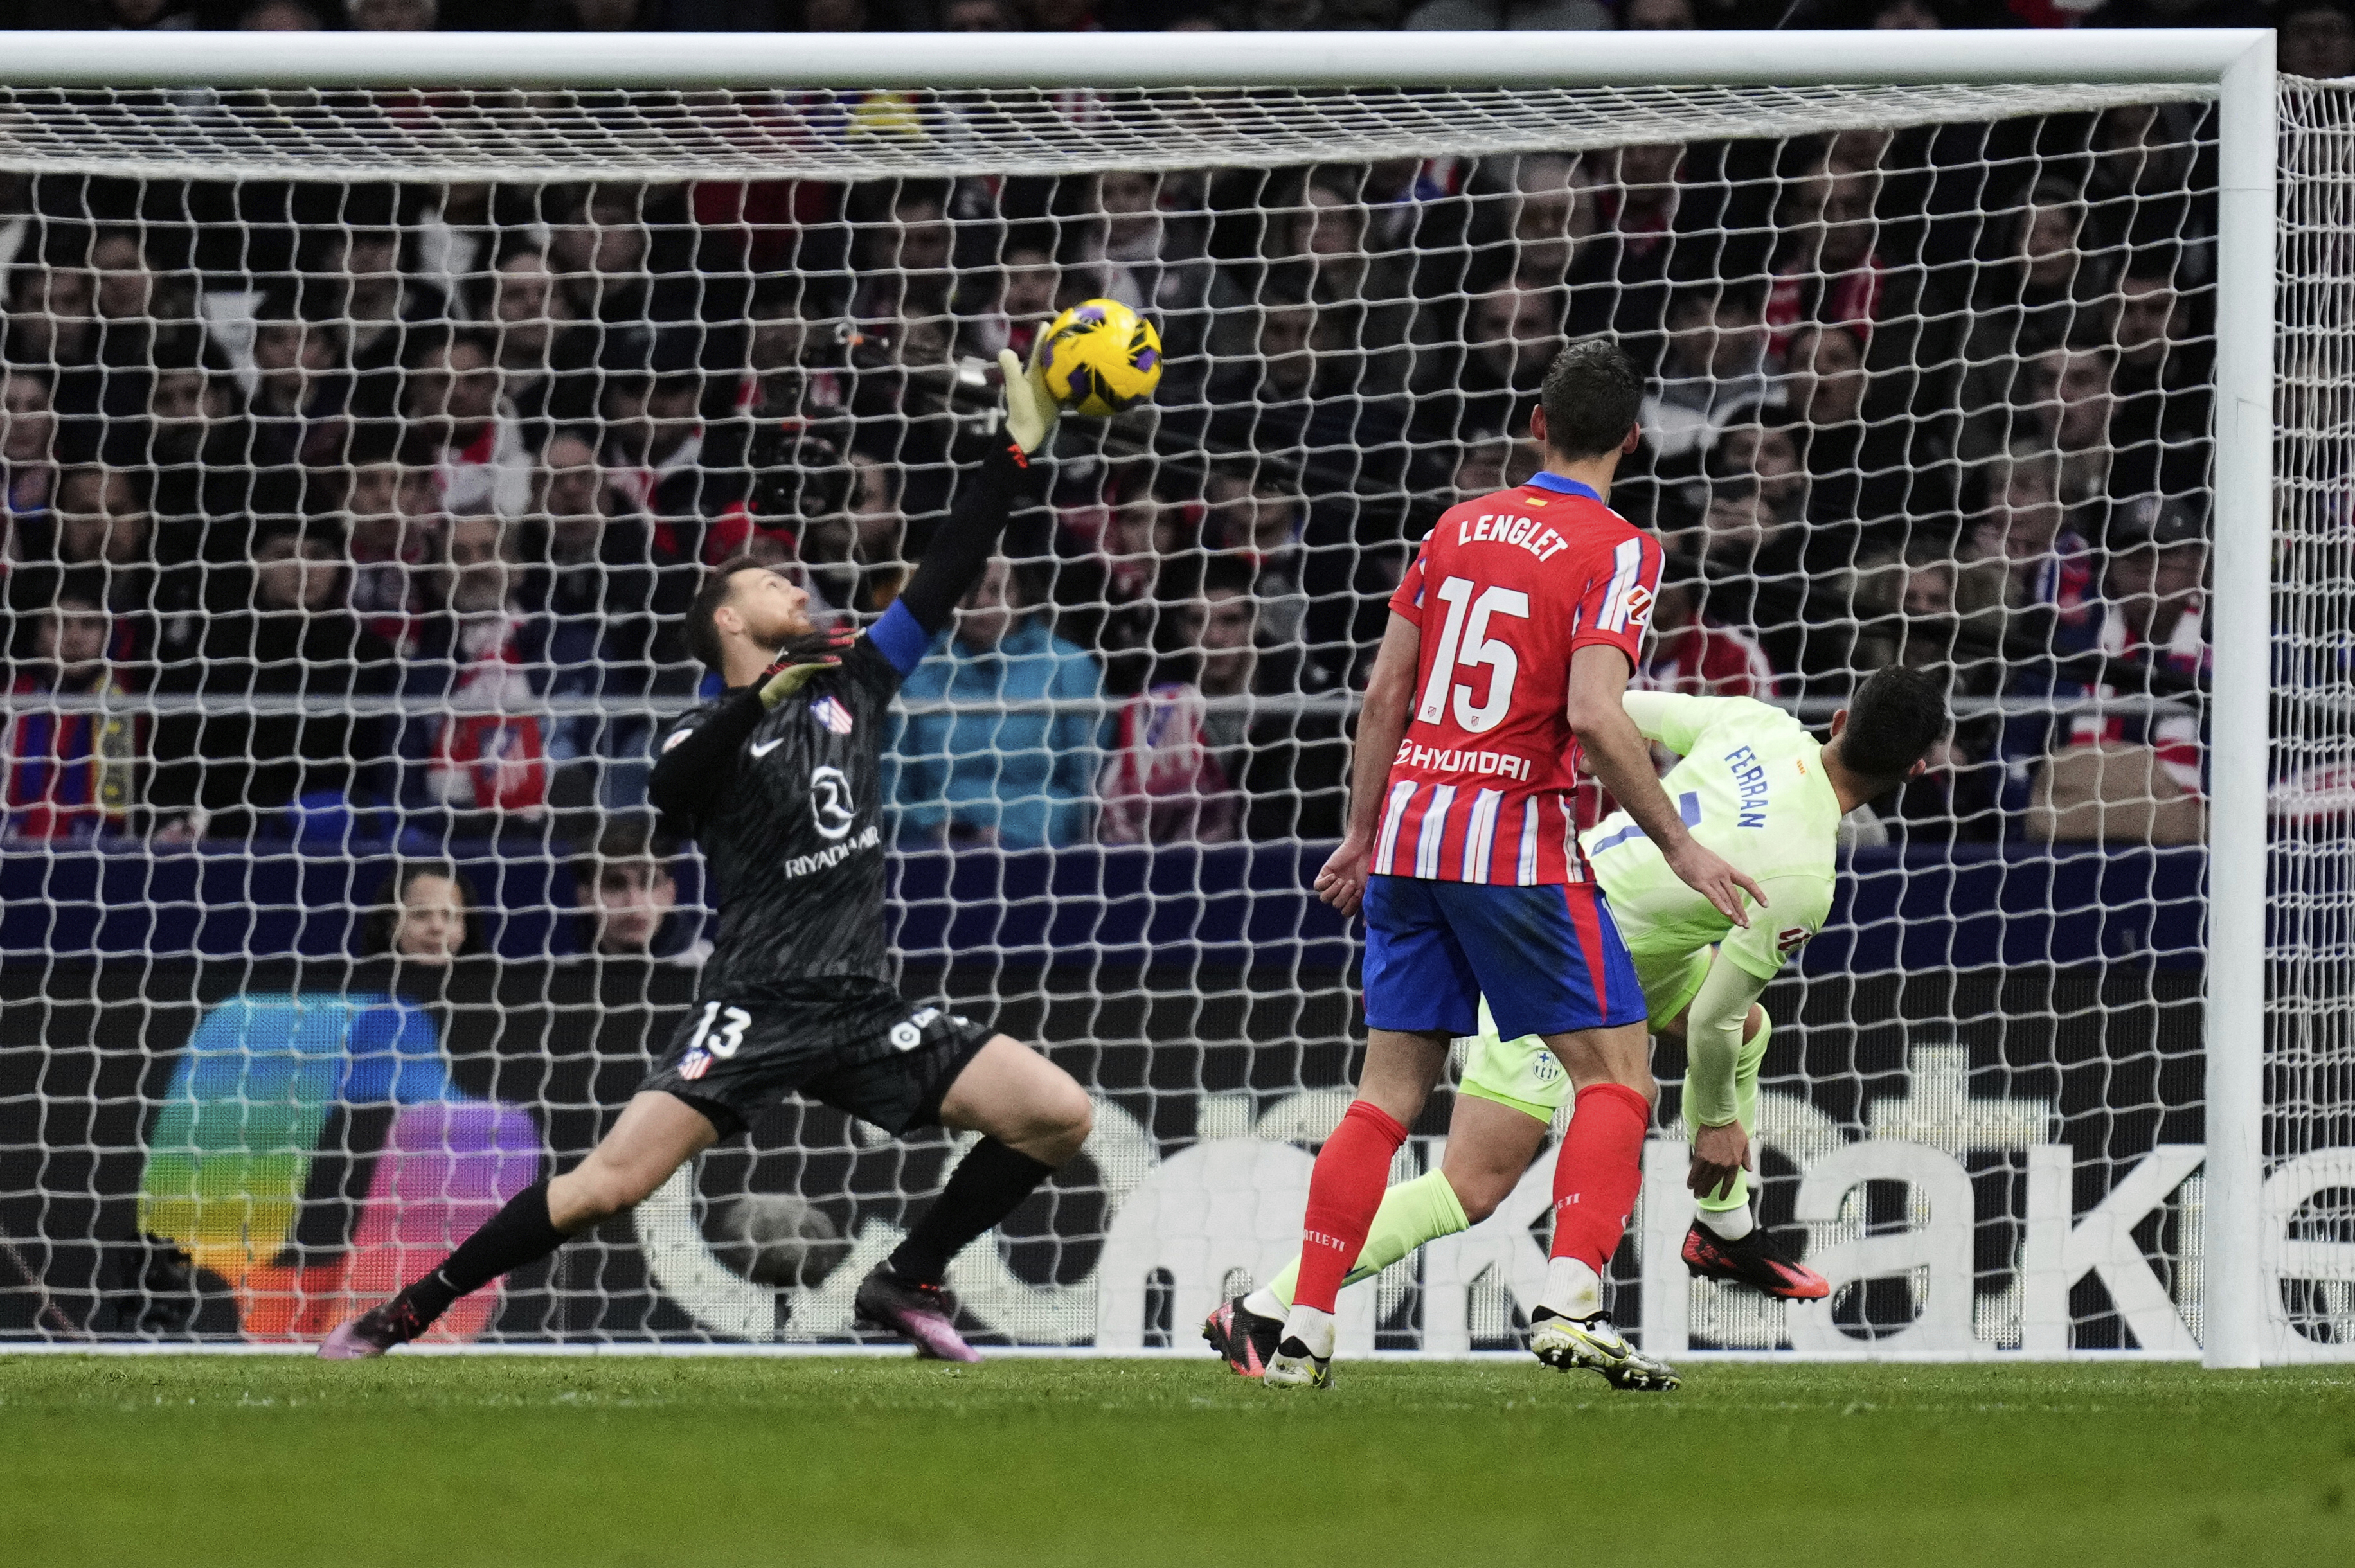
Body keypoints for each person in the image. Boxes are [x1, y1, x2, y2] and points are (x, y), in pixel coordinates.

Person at [321, 349, 1093, 1364]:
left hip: (862, 1005)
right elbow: (671, 793)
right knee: (606, 1186)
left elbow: (946, 571)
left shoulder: (856, 683)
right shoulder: (701, 730)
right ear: (730, 619)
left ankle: (907, 1277)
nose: (795, 585)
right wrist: (759, 699)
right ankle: (406, 1313)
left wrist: (1015, 452)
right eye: (772, 581)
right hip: (754, 1006)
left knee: (1058, 1116)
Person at [1208, 669, 1953, 1377]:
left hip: (1592, 900)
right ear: (1917, 771)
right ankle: (1263, 1308)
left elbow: (1610, 709)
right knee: (1471, 1185)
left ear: (1839, 719)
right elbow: (1709, 1027)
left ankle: (1724, 1229)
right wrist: (1719, 1123)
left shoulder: (1756, 723)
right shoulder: (1803, 880)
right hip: (1555, 950)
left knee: (1749, 1030)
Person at [1265, 337, 1762, 1392]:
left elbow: (1383, 696)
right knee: (1616, 1075)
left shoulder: (1454, 526)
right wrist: (1679, 845)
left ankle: (1303, 1327)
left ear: (1536, 425)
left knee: (1383, 1097)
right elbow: (1592, 713)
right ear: (1632, 441)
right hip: (1510, 839)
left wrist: (1359, 831)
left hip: (1408, 833)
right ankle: (1570, 1300)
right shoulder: (1621, 548)